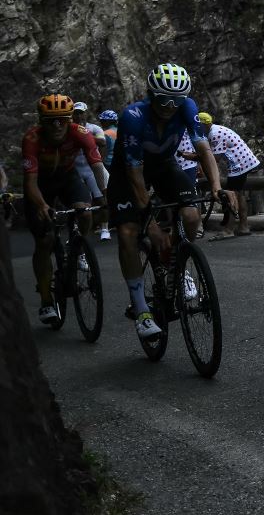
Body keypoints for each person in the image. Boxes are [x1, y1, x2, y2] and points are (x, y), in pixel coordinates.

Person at [109, 64, 223, 339]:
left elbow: (204, 149)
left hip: (163, 165)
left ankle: (176, 264)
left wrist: (218, 188)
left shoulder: (187, 107)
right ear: (150, 94)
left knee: (191, 216)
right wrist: (149, 224)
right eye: (163, 99)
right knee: (128, 233)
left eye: (177, 100)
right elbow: (134, 171)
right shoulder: (133, 116)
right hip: (129, 172)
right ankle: (141, 309)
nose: (170, 106)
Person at [21, 94, 107, 324]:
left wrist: (106, 195)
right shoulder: (32, 138)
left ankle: (79, 248)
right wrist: (42, 205)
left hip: (68, 178)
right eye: (51, 120)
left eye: (62, 119)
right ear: (41, 121)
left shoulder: (81, 133)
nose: (57, 125)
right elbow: (30, 183)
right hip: (40, 185)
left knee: (85, 212)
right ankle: (47, 300)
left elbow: (97, 167)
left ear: (70, 119)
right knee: (45, 240)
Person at [179, 113, 263, 238]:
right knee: (238, 194)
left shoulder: (214, 134)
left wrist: (191, 156)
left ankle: (229, 230)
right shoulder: (214, 130)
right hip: (244, 162)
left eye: (198, 126)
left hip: (239, 164)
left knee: (229, 195)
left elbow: (214, 158)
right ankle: (243, 226)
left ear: (204, 125)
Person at [95, 107, 119, 242]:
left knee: (108, 193)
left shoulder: (105, 133)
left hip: (108, 164)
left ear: (105, 121)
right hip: (121, 164)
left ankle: (108, 224)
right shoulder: (120, 131)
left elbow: (102, 152)